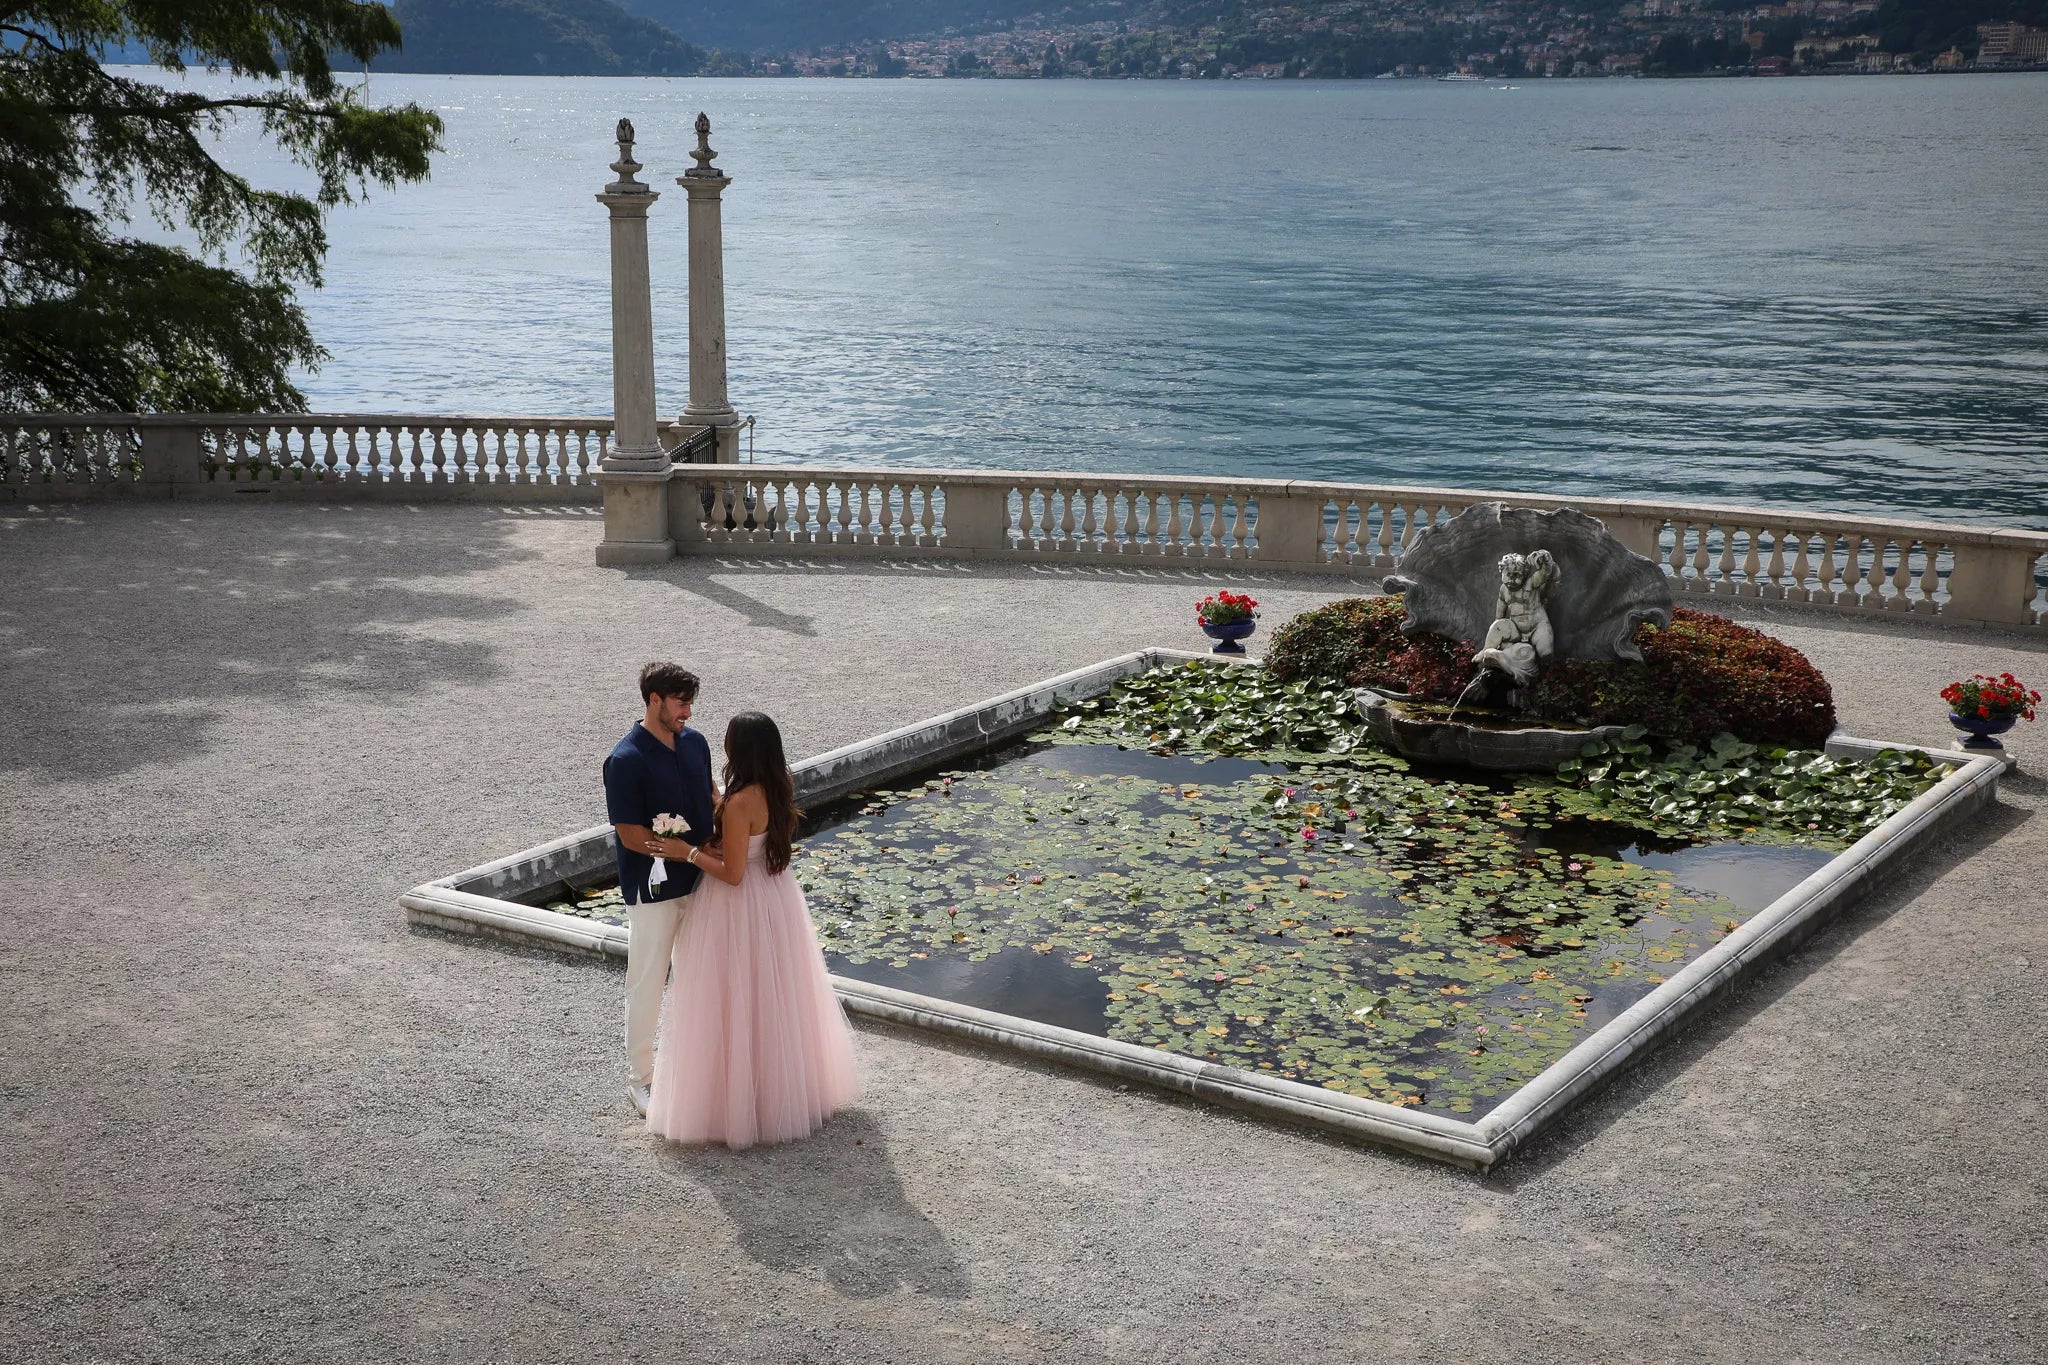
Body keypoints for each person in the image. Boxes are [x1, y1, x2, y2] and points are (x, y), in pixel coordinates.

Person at [646, 712, 860, 1149]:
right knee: (772, 996)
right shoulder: (778, 785)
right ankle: (774, 1095)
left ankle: (734, 1106)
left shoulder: (741, 802)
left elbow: (733, 873)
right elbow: (751, 844)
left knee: (732, 997)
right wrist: (719, 805)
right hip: (775, 896)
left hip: (738, 906)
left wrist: (686, 853)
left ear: (739, 749)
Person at [605, 662, 717, 1119]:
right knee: (647, 983)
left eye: (690, 703)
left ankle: (693, 1071)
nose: (687, 712)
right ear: (654, 700)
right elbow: (629, 834)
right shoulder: (624, 759)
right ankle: (641, 1080)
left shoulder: (696, 742)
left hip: (704, 881)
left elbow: (711, 795)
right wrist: (678, 851)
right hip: (653, 890)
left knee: (700, 979)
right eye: (680, 703)